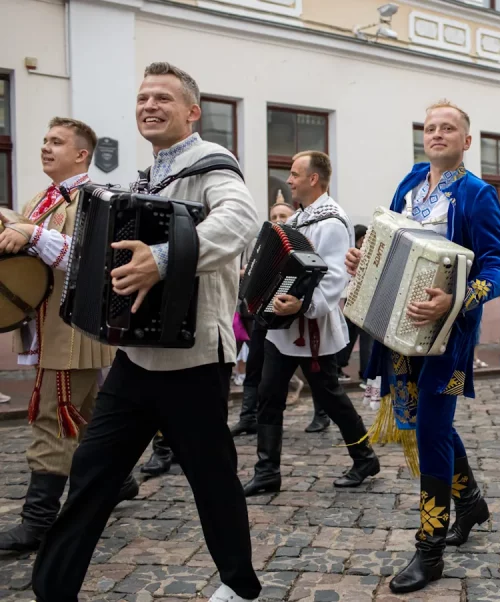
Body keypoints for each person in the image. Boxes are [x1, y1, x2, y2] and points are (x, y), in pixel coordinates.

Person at [31, 63, 262, 602]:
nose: (149, 105)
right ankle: (52, 590)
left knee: (213, 482)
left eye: (163, 97)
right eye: (142, 98)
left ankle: (241, 587)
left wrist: (163, 259)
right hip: (136, 361)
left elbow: (241, 223)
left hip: (195, 363)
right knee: (90, 476)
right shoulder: (147, 177)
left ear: (191, 112)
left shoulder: (213, 168)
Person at [347, 100, 500, 594]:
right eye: (430, 128)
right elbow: (392, 241)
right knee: (425, 428)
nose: (437, 134)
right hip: (399, 335)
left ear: (466, 141)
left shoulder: (478, 194)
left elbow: (499, 268)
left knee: (431, 432)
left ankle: (430, 550)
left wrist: (457, 298)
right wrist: (366, 258)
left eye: (448, 128)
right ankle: (472, 502)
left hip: (447, 339)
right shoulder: (410, 182)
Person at [0, 118, 137, 554]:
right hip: (46, 322)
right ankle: (121, 480)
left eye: (56, 142)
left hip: (74, 328)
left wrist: (31, 233)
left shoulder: (96, 198)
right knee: (92, 414)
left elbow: (87, 257)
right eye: (43, 140)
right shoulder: (39, 199)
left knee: (54, 415)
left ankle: (37, 521)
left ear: (82, 154)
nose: (45, 147)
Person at [241, 151, 380, 497]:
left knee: (331, 398)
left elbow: (334, 278)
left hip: (311, 328)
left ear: (313, 178)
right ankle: (267, 471)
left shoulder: (332, 221)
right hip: (283, 329)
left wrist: (304, 305)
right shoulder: (301, 218)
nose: (288, 180)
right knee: (269, 394)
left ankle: (364, 457)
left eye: (294, 174)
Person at [229, 200, 305, 438]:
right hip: (263, 314)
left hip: (293, 315)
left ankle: (321, 414)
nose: (279, 219)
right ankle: (248, 417)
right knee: (254, 365)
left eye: (283, 215)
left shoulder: (299, 241)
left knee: (315, 371)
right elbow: (247, 271)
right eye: (274, 215)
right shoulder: (261, 243)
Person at [337, 224, 373, 384]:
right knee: (366, 338)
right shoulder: (362, 254)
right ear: (360, 240)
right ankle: (365, 374)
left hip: (349, 298)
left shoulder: (349, 253)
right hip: (363, 299)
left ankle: (338, 367)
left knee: (349, 336)